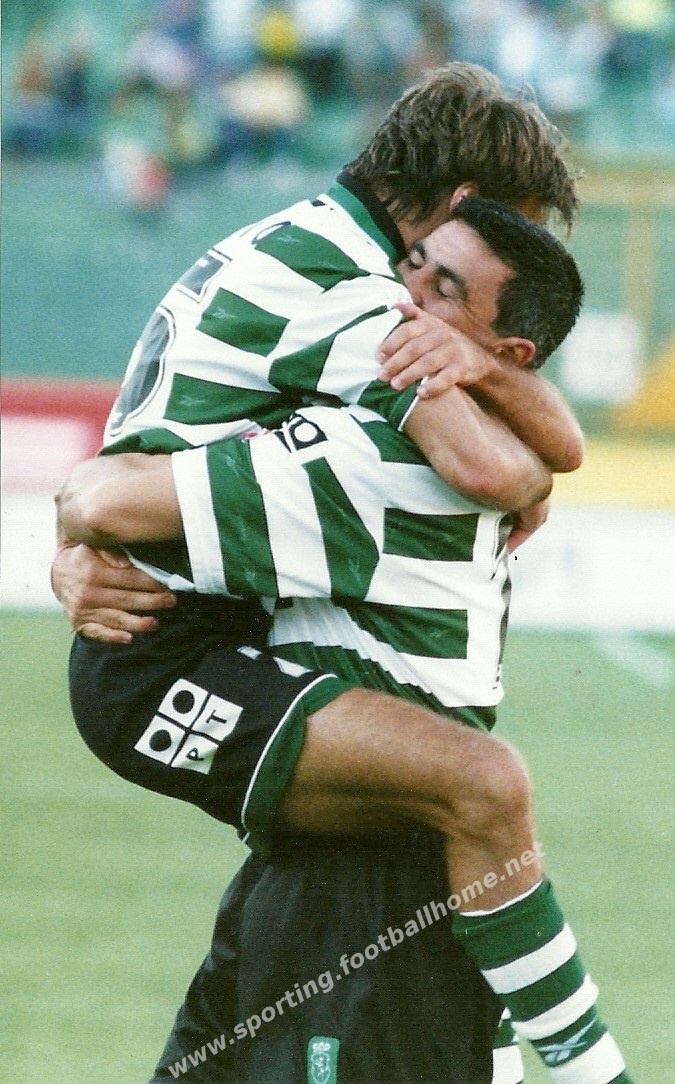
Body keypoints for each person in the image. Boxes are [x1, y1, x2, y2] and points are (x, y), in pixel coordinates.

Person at [57, 194, 631, 1082]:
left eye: (445, 291)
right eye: (412, 264)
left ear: (503, 354)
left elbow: (102, 500)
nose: (401, 295)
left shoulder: (373, 456)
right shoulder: (453, 447)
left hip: (363, 895)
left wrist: (77, 541)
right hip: (343, 876)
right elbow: (525, 457)